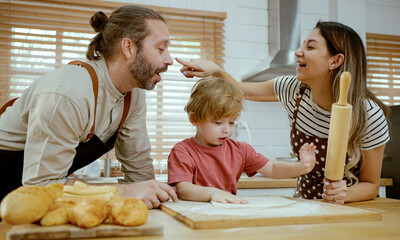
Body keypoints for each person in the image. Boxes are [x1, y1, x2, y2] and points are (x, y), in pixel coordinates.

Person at [175, 21, 390, 205]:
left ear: (335, 61)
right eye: (302, 44)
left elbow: (371, 185)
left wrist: (345, 193)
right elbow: (241, 90)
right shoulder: (293, 90)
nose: (298, 51)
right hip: (304, 204)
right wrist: (217, 71)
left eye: (310, 47)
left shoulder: (368, 115)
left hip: (349, 210)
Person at [0, 5, 178, 209]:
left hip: (46, 192)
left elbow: (140, 173)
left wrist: (155, 195)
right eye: (161, 49)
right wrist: (126, 192)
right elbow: (41, 186)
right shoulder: (68, 94)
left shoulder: (133, 95)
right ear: (128, 47)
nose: (169, 60)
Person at [168, 77, 316, 203]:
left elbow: (272, 168)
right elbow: (184, 189)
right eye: (218, 123)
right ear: (194, 119)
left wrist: (300, 167)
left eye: (231, 122)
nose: (226, 129)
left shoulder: (240, 150)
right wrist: (213, 193)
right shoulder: (182, 151)